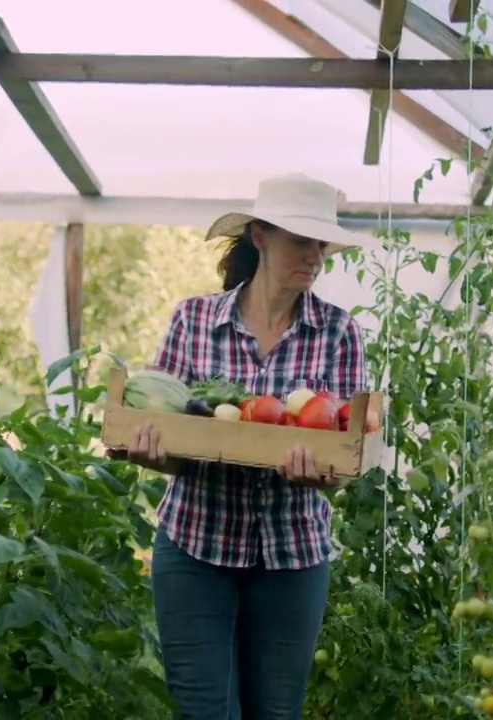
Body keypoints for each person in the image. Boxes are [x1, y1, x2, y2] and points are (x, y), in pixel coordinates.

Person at [124, 173, 377, 719]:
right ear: (259, 236)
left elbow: (344, 451)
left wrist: (324, 474)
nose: (314, 256)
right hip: (195, 547)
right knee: (205, 713)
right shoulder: (194, 321)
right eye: (300, 241)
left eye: (321, 245)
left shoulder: (339, 333)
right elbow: (172, 432)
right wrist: (152, 451)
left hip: (292, 555)